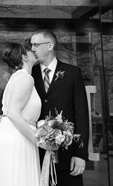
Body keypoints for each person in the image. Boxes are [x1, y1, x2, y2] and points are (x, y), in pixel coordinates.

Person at [31, 30, 89, 186]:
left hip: (67, 155)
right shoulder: (30, 74)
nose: (33, 49)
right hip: (36, 154)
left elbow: (81, 114)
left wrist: (80, 154)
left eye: (36, 44)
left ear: (50, 45)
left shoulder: (72, 73)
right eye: (31, 45)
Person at [0, 41, 41, 186]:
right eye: (31, 50)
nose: (34, 51)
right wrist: (37, 140)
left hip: (10, 134)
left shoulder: (16, 77)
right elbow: (13, 113)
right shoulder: (25, 78)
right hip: (19, 137)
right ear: (24, 56)